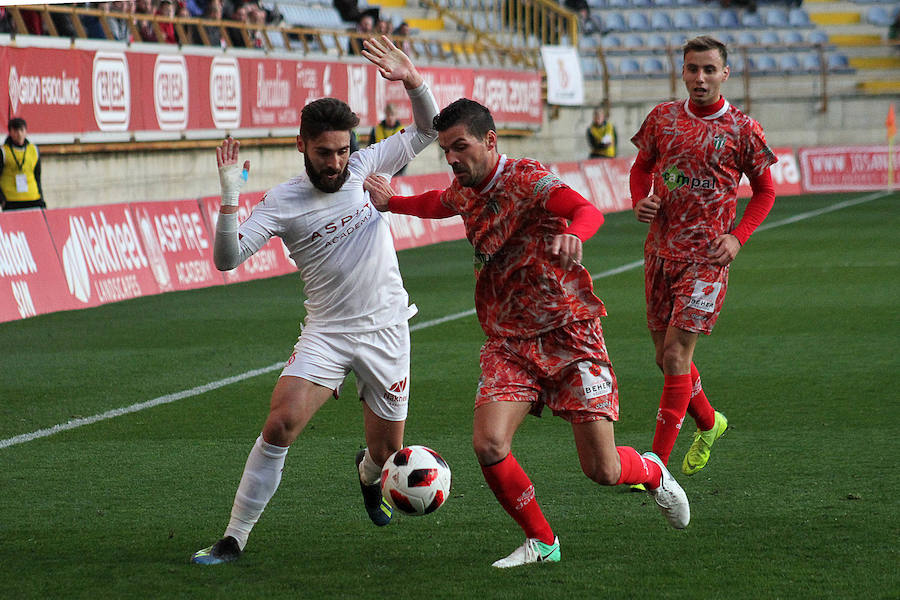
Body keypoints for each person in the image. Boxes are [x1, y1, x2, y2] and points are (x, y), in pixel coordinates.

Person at [363, 98, 690, 569]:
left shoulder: (527, 179)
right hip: (508, 343)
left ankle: (653, 472)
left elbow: (584, 209)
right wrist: (391, 201)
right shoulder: (464, 186)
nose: (452, 158)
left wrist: (576, 232)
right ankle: (542, 541)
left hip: (570, 334)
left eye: (461, 147)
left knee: (603, 469)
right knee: (488, 443)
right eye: (446, 151)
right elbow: (439, 202)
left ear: (490, 142)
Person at [190, 36, 439, 565]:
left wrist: (414, 81)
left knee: (386, 454)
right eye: (325, 152)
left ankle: (367, 476)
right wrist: (230, 198)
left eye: (344, 150)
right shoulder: (283, 203)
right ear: (301, 145)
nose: (337, 163)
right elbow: (227, 259)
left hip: (386, 330)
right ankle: (234, 537)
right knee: (279, 424)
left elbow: (426, 129)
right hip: (326, 333)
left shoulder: (372, 163)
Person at [629, 35, 777, 477]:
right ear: (683, 72)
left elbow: (766, 191)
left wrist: (737, 238)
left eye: (710, 70)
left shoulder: (743, 129)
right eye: (693, 69)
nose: (700, 78)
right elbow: (641, 167)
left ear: (725, 74)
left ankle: (656, 466)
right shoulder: (663, 118)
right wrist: (641, 199)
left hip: (707, 260)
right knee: (665, 359)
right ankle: (710, 424)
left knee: (675, 356)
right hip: (659, 252)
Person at [1, 118, 45, 211]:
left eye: (22, 130)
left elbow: (37, 176)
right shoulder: (3, 151)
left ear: (26, 131)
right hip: (11, 200)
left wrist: (41, 198)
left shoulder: (33, 150)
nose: (19, 134)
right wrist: (2, 199)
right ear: (10, 132)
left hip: (33, 197)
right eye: (16, 131)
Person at [368, 103, 407, 175]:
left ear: (396, 115)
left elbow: (405, 153)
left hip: (396, 170)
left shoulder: (403, 131)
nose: (390, 118)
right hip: (378, 168)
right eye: (388, 115)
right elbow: (369, 149)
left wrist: (400, 173)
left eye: (392, 115)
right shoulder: (376, 130)